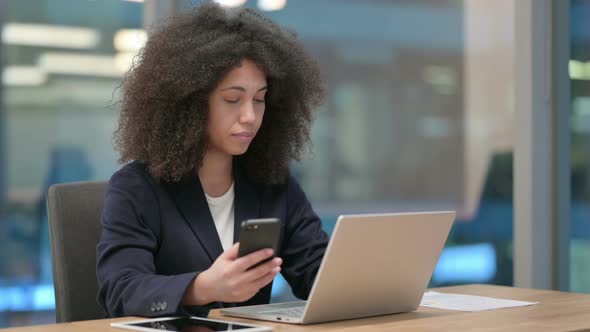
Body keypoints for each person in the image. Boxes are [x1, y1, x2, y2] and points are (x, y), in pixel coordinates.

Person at [96, 2, 329, 318]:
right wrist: (202, 287)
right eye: (233, 99)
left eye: (259, 100)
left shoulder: (274, 184)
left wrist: (365, 279)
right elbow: (121, 289)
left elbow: (317, 274)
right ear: (189, 102)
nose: (250, 116)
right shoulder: (137, 188)